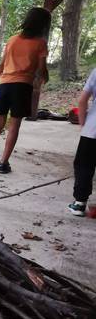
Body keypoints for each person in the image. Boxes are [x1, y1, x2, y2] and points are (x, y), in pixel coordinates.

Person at [0, 7, 51, 174]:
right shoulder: (40, 43)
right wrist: (44, 77)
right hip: (22, 86)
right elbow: (41, 69)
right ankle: (3, 163)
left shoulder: (13, 40)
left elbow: (1, 65)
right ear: (43, 25)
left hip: (4, 85)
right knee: (14, 125)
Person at [68, 69, 96, 216]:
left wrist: (83, 124)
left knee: (84, 165)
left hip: (93, 129)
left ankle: (79, 203)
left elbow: (82, 100)